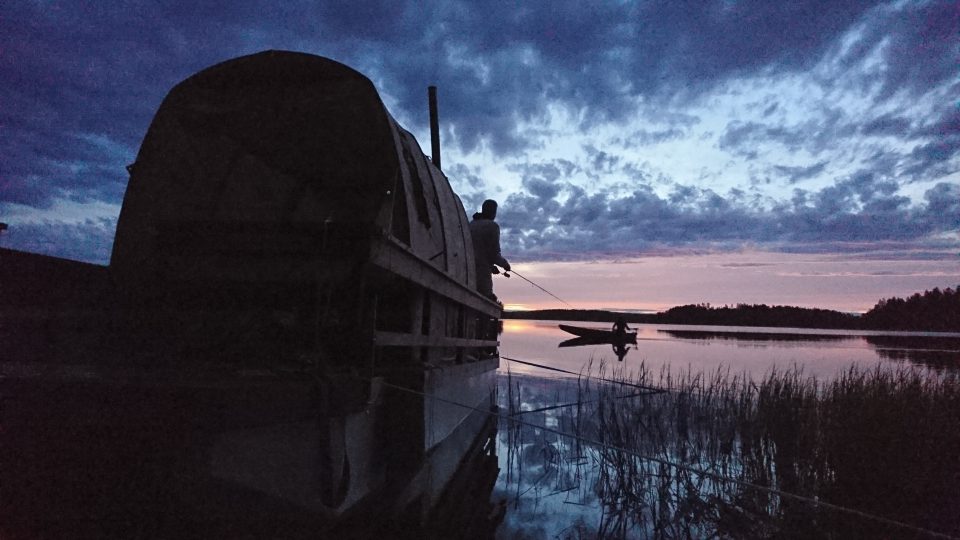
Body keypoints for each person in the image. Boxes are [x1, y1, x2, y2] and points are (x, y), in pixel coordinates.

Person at [469, 199, 510, 300]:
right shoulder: (493, 226)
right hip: (482, 276)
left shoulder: (471, 224)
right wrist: (505, 264)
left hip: (467, 271)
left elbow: (478, 251)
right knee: (486, 299)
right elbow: (494, 253)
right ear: (493, 211)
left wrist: (491, 266)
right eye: (495, 211)